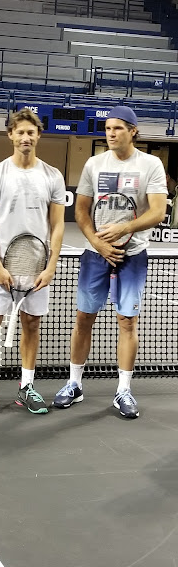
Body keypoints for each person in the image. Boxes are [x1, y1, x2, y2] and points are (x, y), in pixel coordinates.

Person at [53, 105, 167, 419]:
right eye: (107, 129)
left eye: (117, 128)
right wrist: (97, 243)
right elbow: (81, 211)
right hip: (95, 255)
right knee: (83, 319)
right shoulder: (94, 164)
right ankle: (74, 384)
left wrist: (125, 228)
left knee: (127, 322)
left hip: (133, 255)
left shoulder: (150, 164)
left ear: (133, 131)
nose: (111, 133)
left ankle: (123, 391)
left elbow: (158, 212)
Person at [0, 108, 66, 416]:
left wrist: (50, 266)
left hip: (38, 266)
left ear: (38, 135)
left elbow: (58, 225)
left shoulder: (53, 176)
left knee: (32, 324)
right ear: (10, 135)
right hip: (0, 266)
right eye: (20, 132)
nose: (26, 137)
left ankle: (27, 386)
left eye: (31, 132)